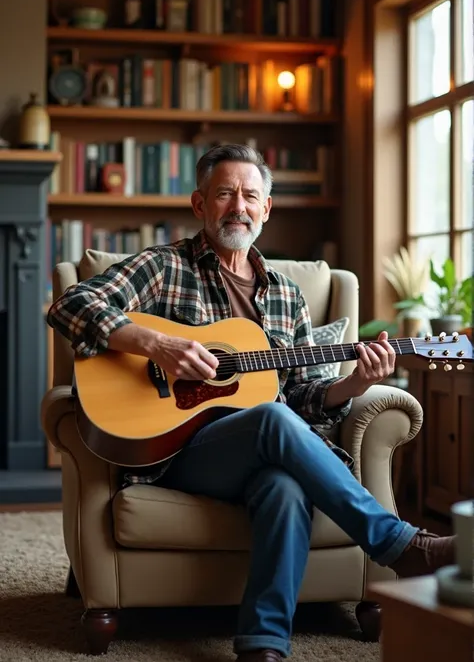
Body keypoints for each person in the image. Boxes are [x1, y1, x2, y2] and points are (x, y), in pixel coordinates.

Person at [48, 144, 455, 662]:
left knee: (284, 483)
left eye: (250, 195)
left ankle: (263, 646)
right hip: (174, 455)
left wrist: (354, 385)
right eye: (224, 193)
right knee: (270, 417)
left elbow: (306, 397)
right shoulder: (163, 266)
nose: (237, 206)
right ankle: (400, 544)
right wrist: (158, 345)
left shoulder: (287, 295)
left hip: (268, 447)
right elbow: (70, 303)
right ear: (200, 204)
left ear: (266, 209)